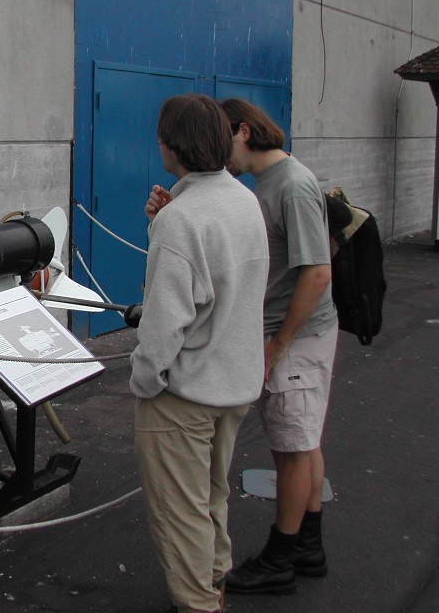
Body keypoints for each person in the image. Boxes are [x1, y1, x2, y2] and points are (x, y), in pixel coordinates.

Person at [131, 94, 269, 613]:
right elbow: (219, 279)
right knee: (210, 500)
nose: (158, 142)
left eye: (163, 134)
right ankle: (215, 583)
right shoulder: (242, 199)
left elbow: (165, 324)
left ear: (176, 143)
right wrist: (165, 222)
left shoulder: (182, 219)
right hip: (233, 384)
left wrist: (145, 381)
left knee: (178, 512)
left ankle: (199, 603)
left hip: (183, 395)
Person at [211, 98, 339, 595]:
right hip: (288, 335)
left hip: (295, 338)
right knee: (303, 442)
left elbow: (318, 272)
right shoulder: (266, 183)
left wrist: (278, 345)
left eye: (222, 142)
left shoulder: (291, 184)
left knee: (291, 449)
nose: (220, 157)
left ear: (243, 131)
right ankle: (308, 546)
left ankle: (280, 557)